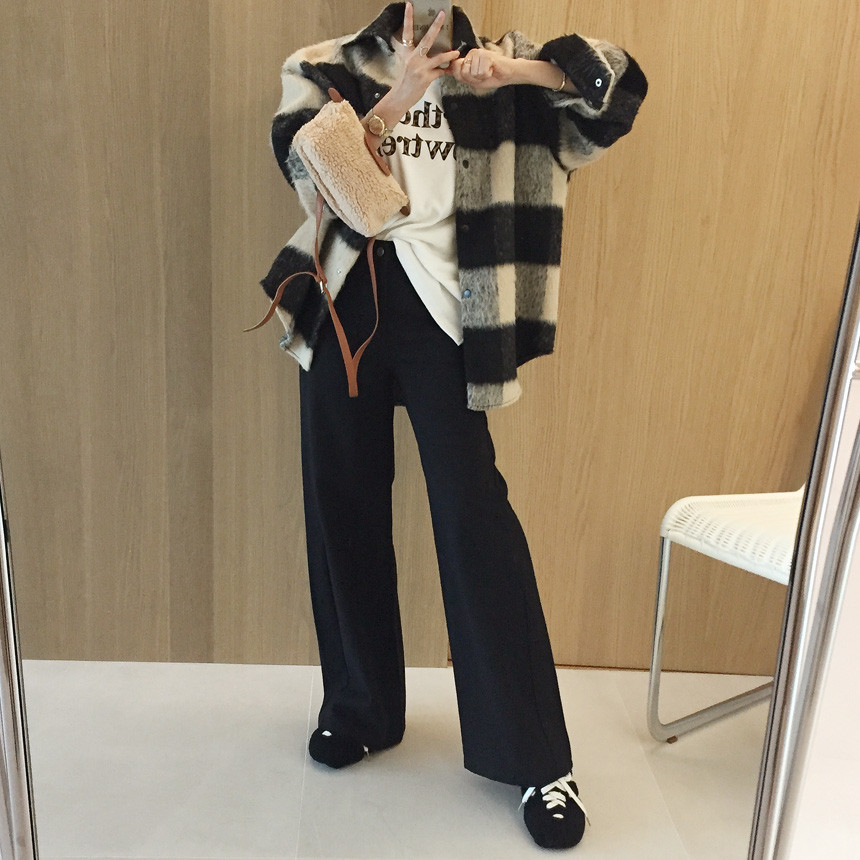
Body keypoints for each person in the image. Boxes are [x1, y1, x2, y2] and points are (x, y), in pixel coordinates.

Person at [256, 1, 646, 849]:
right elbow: (303, 169)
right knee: (341, 502)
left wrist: (522, 71)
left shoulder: (508, 74)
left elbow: (616, 94)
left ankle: (537, 760)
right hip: (345, 304)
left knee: (475, 517)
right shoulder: (326, 64)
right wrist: (396, 96)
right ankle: (360, 707)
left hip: (452, 319)